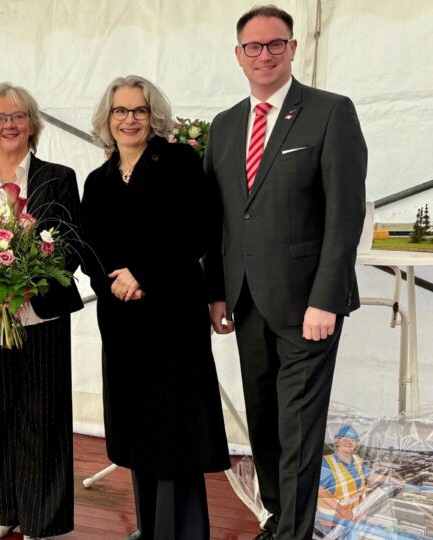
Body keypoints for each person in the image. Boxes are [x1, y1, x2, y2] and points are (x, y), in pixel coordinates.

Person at [203, 5, 368, 539]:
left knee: (298, 425)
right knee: (264, 421)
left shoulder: (330, 112)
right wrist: (217, 292)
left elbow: (345, 214)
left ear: (293, 48)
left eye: (276, 43)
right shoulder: (225, 126)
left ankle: (294, 534)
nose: (265, 55)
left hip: (307, 306)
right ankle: (278, 519)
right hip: (246, 300)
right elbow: (218, 219)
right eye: (253, 46)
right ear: (238, 55)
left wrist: (326, 298)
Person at [80, 75, 229, 540]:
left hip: (173, 314)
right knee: (139, 427)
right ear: (107, 118)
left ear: (153, 116)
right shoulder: (98, 180)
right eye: (121, 111)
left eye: (139, 110)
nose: (130, 120)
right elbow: (89, 248)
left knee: (176, 427)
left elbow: (198, 231)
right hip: (122, 319)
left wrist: (141, 274)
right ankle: (150, 528)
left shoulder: (180, 162)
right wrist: (116, 284)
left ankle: (183, 531)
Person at [0, 82, 83, 540]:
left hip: (43, 314)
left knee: (44, 414)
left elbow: (71, 246)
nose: (9, 125)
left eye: (18, 116)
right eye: (0, 118)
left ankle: (44, 520)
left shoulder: (58, 177)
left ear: (32, 124)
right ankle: (0, 510)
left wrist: (30, 284)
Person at [317, 425, 368, 532]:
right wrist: (342, 511)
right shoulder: (326, 462)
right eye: (344, 439)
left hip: (351, 516)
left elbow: (370, 475)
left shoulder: (356, 460)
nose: (348, 443)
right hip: (332, 519)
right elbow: (320, 491)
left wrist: (391, 478)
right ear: (337, 442)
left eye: (352, 440)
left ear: (356, 445)